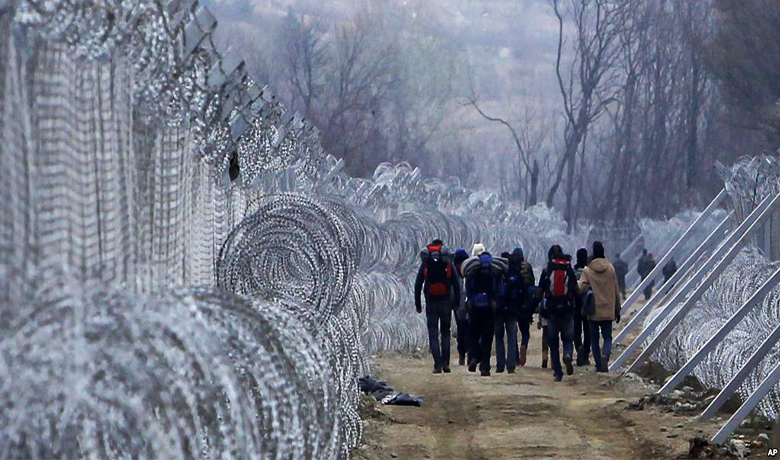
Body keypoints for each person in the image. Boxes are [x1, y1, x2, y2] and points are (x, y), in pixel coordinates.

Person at [415, 239, 461, 374]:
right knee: (445, 332)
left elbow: (418, 284)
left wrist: (418, 304)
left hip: (431, 302)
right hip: (446, 302)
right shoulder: (447, 262)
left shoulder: (426, 263)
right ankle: (446, 363)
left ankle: (437, 364)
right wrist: (457, 303)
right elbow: (456, 284)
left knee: (433, 333)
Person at [578, 241, 622, 373]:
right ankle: (605, 355)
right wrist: (617, 309)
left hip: (594, 310)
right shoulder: (610, 268)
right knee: (607, 337)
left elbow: (580, 288)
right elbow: (616, 290)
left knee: (594, 339)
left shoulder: (587, 270)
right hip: (608, 310)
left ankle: (598, 364)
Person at [537, 244, 577, 382]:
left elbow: (540, 292)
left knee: (553, 342)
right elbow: (575, 289)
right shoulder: (568, 269)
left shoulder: (547, 270)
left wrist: (533, 308)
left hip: (552, 311)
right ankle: (567, 354)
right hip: (567, 309)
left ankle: (558, 372)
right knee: (568, 339)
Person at [465, 243, 503, 377]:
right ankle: (485, 367)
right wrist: (496, 300)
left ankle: (474, 357)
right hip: (489, 307)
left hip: (475, 305)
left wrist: (469, 299)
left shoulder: (473, 267)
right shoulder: (494, 268)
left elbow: (468, 285)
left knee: (474, 334)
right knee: (487, 337)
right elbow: (499, 288)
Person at [495, 248, 533, 373]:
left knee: (499, 336)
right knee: (512, 336)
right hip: (513, 308)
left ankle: (500, 365)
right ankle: (511, 364)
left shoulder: (498, 270)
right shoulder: (516, 270)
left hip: (499, 308)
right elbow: (526, 288)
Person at [573, 248, 591, 367]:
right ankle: (585, 355)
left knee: (577, 330)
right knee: (588, 330)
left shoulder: (573, 272)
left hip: (575, 304)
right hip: (588, 304)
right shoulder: (589, 272)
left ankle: (579, 346)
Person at [453, 248, 470, 366]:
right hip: (469, 306)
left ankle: (461, 356)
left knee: (460, 330)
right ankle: (470, 354)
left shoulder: (453, 271)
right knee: (470, 330)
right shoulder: (469, 270)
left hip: (457, 306)